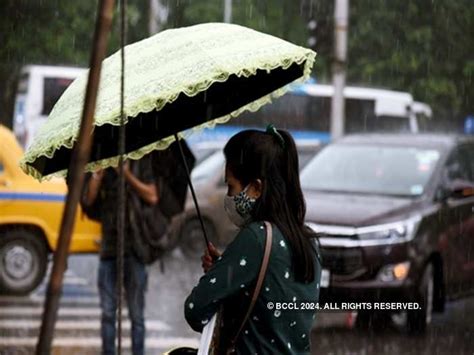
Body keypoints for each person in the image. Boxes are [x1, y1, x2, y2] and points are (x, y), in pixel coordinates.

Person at [184, 126, 322, 354]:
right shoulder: (309, 241)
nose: (229, 196)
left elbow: (195, 310)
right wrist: (227, 268)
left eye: (231, 186)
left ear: (256, 188)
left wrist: (221, 276)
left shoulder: (255, 238)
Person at [83, 155, 158, 355]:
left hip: (135, 250)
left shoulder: (141, 161)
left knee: (136, 315)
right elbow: (89, 201)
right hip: (108, 250)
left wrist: (126, 174)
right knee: (108, 313)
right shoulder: (104, 166)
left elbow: (152, 195)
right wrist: (97, 174)